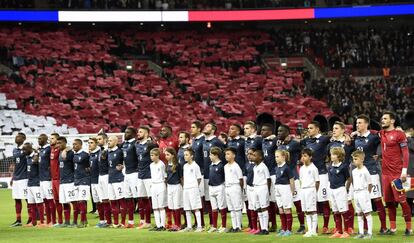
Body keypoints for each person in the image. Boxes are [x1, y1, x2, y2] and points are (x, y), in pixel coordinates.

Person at [351, 114, 387, 234]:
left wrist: (379, 154)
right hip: (359, 173)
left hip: (371, 171)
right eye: (356, 123)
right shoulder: (355, 138)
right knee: (362, 201)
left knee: (376, 199)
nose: (357, 125)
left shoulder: (373, 136)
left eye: (360, 123)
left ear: (366, 124)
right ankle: (365, 229)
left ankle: (384, 227)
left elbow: (383, 138)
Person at [379, 111, 412, 235]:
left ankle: (409, 228)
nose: (382, 120)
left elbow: (405, 153)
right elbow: (371, 133)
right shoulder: (381, 133)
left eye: (385, 118)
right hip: (385, 173)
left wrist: (404, 171)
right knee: (388, 202)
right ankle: (393, 228)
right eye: (382, 118)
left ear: (392, 121)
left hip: (397, 173)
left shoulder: (399, 134)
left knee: (402, 201)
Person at [300, 121, 331, 233]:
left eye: (311, 128)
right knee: (313, 202)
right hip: (309, 174)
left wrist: (347, 136)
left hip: (321, 173)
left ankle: (326, 226)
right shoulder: (306, 140)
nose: (308, 130)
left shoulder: (323, 139)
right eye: (308, 128)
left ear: (317, 129)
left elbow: (336, 136)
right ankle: (314, 228)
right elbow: (296, 142)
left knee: (323, 200)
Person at [327, 121, 355, 234]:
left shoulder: (349, 142)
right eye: (333, 128)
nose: (334, 130)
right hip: (334, 175)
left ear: (343, 130)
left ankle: (350, 227)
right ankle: (338, 228)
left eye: (337, 128)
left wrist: (350, 136)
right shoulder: (330, 144)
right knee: (336, 205)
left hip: (346, 175)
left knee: (347, 202)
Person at [277, 124, 305, 233]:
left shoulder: (294, 144)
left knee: (297, 202)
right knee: (282, 204)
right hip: (282, 179)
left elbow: (303, 146)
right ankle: (285, 227)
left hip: (293, 177)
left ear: (287, 132)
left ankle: (302, 225)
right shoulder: (279, 145)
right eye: (278, 131)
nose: (279, 133)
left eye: (281, 131)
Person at [202, 122, 225, 228]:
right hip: (207, 173)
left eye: (208, 126)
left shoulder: (216, 141)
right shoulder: (204, 141)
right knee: (208, 200)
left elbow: (224, 154)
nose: (205, 127)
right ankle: (212, 224)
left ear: (213, 130)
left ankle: (221, 225)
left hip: (216, 174)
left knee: (219, 202)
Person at [135, 126, 158, 229]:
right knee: (143, 198)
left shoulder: (151, 145)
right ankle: (146, 222)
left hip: (149, 175)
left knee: (152, 198)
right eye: (138, 132)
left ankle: (160, 221)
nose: (138, 133)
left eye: (140, 132)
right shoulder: (137, 145)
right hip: (140, 175)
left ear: (146, 134)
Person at [328, 147, 351, 239]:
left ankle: (346, 231)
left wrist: (346, 188)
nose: (331, 156)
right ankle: (338, 231)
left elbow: (349, 179)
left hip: (340, 189)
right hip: (332, 190)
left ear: (339, 156)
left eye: (333, 154)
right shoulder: (330, 166)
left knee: (343, 211)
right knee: (336, 211)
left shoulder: (344, 166)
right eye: (331, 154)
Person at [158, 125, 179, 228]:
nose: (162, 132)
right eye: (161, 130)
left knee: (176, 199)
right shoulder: (159, 141)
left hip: (173, 170)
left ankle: (178, 222)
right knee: (166, 198)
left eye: (164, 130)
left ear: (170, 130)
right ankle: (169, 221)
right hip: (162, 171)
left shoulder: (175, 141)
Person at [351, 150, 373, 239]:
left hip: (363, 193)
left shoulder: (365, 171)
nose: (354, 161)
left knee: (367, 213)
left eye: (356, 159)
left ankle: (370, 233)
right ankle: (361, 232)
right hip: (356, 193)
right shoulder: (354, 171)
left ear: (362, 159)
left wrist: (367, 194)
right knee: (359, 213)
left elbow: (370, 184)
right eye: (353, 159)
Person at [181, 148, 203, 232]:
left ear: (192, 156)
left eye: (186, 155)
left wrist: (194, 186)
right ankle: (189, 227)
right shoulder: (185, 166)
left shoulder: (195, 166)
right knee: (187, 208)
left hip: (193, 188)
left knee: (196, 208)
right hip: (186, 188)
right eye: (184, 155)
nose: (185, 157)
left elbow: (199, 178)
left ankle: (199, 226)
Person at [24, 142, 46, 227]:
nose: (23, 151)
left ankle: (42, 222)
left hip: (37, 184)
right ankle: (33, 222)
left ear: (30, 149)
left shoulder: (36, 156)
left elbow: (36, 161)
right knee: (31, 204)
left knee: (39, 203)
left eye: (25, 149)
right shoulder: (28, 158)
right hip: (29, 184)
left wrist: (36, 152)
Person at [261, 123, 278, 232]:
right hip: (264, 174)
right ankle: (268, 222)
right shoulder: (262, 141)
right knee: (266, 199)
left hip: (273, 173)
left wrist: (275, 137)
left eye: (264, 130)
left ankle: (275, 224)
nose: (261, 132)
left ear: (270, 132)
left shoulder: (274, 141)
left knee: (274, 200)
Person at [107, 135, 127, 228]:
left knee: (121, 200)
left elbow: (125, 162)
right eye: (108, 140)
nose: (108, 142)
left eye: (110, 140)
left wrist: (123, 167)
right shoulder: (107, 152)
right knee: (113, 201)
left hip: (119, 179)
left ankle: (123, 222)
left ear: (115, 142)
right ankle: (115, 223)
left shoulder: (119, 152)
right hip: (110, 179)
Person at [299, 148, 319, 238]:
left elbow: (317, 181)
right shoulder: (302, 168)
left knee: (312, 210)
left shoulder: (313, 168)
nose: (303, 158)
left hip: (311, 189)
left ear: (310, 157)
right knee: (306, 211)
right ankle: (309, 230)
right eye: (302, 156)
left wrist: (314, 191)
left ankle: (314, 230)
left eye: (305, 156)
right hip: (303, 189)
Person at [274, 150, 295, 237]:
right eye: (275, 157)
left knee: (287, 209)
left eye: (277, 156)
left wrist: (292, 191)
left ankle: (289, 229)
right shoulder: (277, 167)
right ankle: (283, 228)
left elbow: (291, 180)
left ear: (283, 157)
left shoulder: (287, 167)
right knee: (281, 209)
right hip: (277, 187)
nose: (276, 158)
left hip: (285, 188)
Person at [10, 132, 29, 227]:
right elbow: (15, 165)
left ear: (24, 138)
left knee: (28, 199)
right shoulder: (14, 150)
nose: (16, 138)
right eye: (16, 136)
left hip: (24, 178)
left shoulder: (26, 149)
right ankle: (18, 220)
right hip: (16, 179)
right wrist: (12, 177)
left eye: (19, 137)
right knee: (17, 199)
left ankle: (32, 218)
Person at [56, 137, 75, 227]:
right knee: (64, 202)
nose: (58, 145)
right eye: (57, 143)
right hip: (62, 181)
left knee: (73, 201)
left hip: (70, 181)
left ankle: (74, 222)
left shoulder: (70, 153)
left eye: (60, 143)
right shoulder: (60, 153)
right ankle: (66, 222)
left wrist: (68, 149)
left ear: (65, 143)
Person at [122, 127, 139, 228]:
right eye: (125, 132)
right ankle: (131, 222)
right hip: (127, 174)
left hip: (134, 174)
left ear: (133, 134)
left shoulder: (135, 144)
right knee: (128, 198)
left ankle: (144, 221)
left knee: (138, 197)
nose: (125, 134)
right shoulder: (125, 144)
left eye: (128, 132)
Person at [190, 120, 206, 228]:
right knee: (194, 198)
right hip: (193, 173)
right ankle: (197, 221)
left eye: (193, 127)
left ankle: (202, 223)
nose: (191, 129)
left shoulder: (203, 140)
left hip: (201, 172)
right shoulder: (194, 141)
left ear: (199, 129)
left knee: (200, 198)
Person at [207, 146, 227, 233]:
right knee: (214, 208)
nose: (209, 156)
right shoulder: (210, 166)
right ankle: (214, 226)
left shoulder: (221, 166)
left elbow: (224, 177)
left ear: (216, 155)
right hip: (211, 187)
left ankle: (223, 225)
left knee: (222, 206)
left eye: (211, 155)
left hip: (219, 187)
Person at [224, 147, 243, 233]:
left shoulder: (236, 166)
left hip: (235, 187)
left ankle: (238, 226)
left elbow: (240, 179)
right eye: (226, 154)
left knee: (237, 208)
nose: (226, 156)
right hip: (227, 187)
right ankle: (234, 226)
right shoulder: (225, 166)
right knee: (231, 208)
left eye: (228, 154)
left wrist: (241, 190)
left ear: (233, 155)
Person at [72, 139, 90, 228]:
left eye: (75, 144)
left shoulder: (85, 155)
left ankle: (82, 221)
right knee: (78, 202)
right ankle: (84, 220)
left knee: (82, 201)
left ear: (80, 145)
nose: (73, 146)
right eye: (73, 144)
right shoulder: (73, 155)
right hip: (76, 181)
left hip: (84, 180)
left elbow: (89, 167)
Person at [37, 134, 55, 226]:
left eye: (40, 139)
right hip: (41, 178)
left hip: (47, 178)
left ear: (45, 139)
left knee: (50, 200)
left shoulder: (49, 149)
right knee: (45, 200)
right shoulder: (42, 149)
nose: (38, 140)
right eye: (38, 138)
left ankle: (53, 221)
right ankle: (48, 221)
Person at [252, 149, 271, 235]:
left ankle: (266, 229)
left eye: (254, 155)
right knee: (258, 208)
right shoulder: (255, 167)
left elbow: (268, 179)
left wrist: (268, 190)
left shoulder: (263, 166)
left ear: (260, 157)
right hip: (255, 187)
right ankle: (261, 228)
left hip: (262, 188)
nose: (253, 157)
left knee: (264, 207)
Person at [149, 148, 167, 231]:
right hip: (154, 185)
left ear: (157, 156)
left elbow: (164, 176)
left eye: (152, 155)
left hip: (160, 184)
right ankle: (158, 225)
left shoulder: (161, 164)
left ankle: (163, 225)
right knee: (155, 207)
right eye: (150, 155)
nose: (151, 157)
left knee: (161, 206)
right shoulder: (151, 165)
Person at [165, 147, 183, 231]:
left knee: (177, 206)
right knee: (171, 206)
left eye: (168, 155)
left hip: (176, 186)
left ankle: (178, 224)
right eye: (165, 155)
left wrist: (183, 187)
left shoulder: (177, 165)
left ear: (172, 155)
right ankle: (174, 224)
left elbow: (181, 177)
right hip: (169, 186)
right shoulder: (167, 165)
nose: (166, 156)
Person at [89, 137, 105, 228]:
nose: (90, 144)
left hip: (100, 181)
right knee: (98, 202)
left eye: (91, 143)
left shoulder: (100, 153)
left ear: (96, 144)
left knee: (103, 201)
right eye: (89, 143)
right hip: (93, 181)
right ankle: (101, 221)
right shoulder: (91, 154)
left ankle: (107, 220)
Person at [96, 132, 111, 227]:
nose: (98, 141)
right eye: (97, 139)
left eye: (99, 139)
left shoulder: (109, 150)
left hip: (107, 176)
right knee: (103, 199)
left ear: (105, 140)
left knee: (108, 199)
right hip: (100, 176)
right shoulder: (100, 150)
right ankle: (105, 221)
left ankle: (109, 221)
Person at [49, 133, 63, 227]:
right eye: (50, 138)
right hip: (53, 178)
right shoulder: (51, 149)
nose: (51, 140)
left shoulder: (60, 150)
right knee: (56, 200)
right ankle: (59, 221)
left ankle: (65, 220)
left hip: (59, 178)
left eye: (53, 138)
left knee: (63, 200)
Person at [245, 148, 259, 234]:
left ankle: (259, 226)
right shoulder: (247, 164)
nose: (249, 155)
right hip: (249, 187)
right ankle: (253, 226)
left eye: (251, 154)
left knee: (256, 207)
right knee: (250, 207)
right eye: (248, 154)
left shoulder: (257, 165)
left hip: (255, 188)